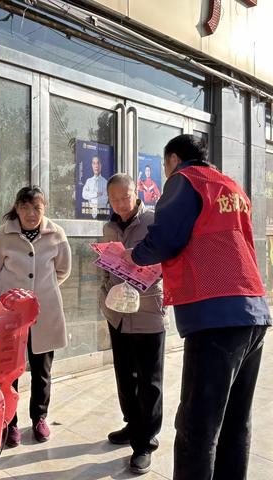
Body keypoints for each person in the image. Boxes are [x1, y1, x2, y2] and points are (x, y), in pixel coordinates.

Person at [122, 134, 272, 480]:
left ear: (173, 159)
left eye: (164, 166)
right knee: (236, 421)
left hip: (214, 314)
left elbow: (167, 238)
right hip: (252, 311)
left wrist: (134, 255)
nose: (165, 172)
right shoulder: (231, 187)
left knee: (197, 425)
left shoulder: (185, 180)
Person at [0, 186, 71, 447]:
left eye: (37, 208)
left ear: (44, 209)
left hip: (44, 314)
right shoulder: (3, 235)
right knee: (9, 372)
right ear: (17, 208)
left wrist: (42, 291)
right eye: (25, 207)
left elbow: (63, 270)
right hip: (10, 315)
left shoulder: (56, 234)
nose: (31, 213)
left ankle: (39, 418)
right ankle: (9, 422)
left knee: (42, 371)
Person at [99, 174, 166, 475]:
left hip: (148, 310)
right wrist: (104, 296)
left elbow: (168, 259)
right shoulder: (109, 227)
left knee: (149, 381)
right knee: (125, 375)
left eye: (124, 197)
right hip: (118, 312)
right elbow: (104, 266)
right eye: (113, 199)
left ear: (136, 193)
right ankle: (132, 425)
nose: (119, 204)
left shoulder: (154, 220)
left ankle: (146, 442)